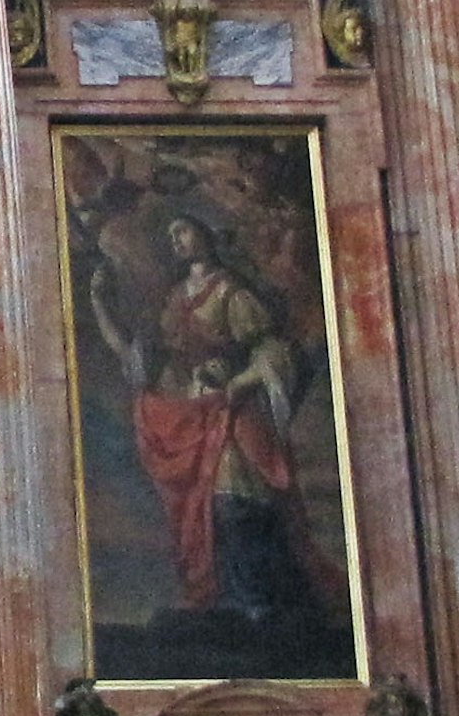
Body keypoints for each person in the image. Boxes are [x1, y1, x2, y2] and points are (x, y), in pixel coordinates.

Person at [110, 213, 330, 629]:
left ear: (206, 234)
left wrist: (237, 383)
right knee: (199, 504)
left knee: (234, 495)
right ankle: (219, 596)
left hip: (232, 411)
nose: (176, 239)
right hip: (194, 410)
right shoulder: (175, 298)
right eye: (171, 234)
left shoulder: (232, 294)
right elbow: (155, 357)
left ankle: (257, 598)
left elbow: (275, 354)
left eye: (184, 230)